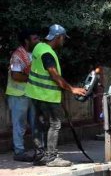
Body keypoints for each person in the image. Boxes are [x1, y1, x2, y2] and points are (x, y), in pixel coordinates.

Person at [26, 24, 87, 167]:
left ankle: (40, 156)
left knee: (38, 125)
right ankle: (52, 157)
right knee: (55, 124)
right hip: (46, 95)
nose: (63, 41)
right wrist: (72, 89)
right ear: (58, 37)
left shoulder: (39, 47)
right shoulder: (47, 54)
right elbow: (54, 76)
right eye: (63, 38)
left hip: (34, 94)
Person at [6, 29, 40, 162]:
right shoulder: (17, 56)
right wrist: (33, 78)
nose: (38, 41)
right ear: (27, 41)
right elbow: (15, 76)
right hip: (18, 95)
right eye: (35, 39)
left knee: (35, 123)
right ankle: (19, 152)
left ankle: (40, 151)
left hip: (30, 93)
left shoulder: (33, 54)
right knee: (19, 125)